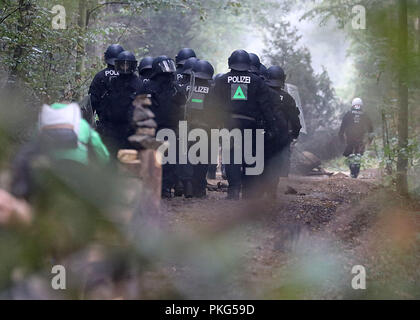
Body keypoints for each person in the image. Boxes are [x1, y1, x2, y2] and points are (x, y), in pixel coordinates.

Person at [209, 49, 277, 200]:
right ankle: (249, 193)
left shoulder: (221, 81)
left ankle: (233, 190)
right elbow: (265, 106)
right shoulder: (257, 81)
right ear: (248, 64)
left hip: (229, 124)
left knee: (231, 157)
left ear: (230, 63)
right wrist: (271, 126)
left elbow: (213, 105)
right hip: (251, 125)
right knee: (250, 158)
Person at [11, 102, 110, 200]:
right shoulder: (82, 123)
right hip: (79, 163)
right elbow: (99, 148)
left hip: (52, 162)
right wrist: (101, 164)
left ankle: (24, 194)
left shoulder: (44, 122)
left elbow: (34, 143)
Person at [145, 56, 187, 198]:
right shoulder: (151, 86)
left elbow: (183, 104)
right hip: (160, 129)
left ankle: (164, 188)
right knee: (165, 160)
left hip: (163, 128)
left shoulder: (173, 87)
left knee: (165, 160)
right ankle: (163, 188)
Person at [178, 60, 215, 198]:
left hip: (186, 127)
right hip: (206, 129)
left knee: (186, 157)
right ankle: (200, 188)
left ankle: (188, 184)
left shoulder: (184, 87)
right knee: (202, 159)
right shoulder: (213, 90)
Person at [97, 51, 144, 157]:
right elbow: (105, 104)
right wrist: (104, 123)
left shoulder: (139, 84)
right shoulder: (112, 82)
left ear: (133, 65)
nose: (125, 67)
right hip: (113, 129)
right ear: (118, 65)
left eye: (128, 64)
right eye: (123, 64)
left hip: (131, 129)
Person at [265, 66, 302, 178]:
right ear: (282, 79)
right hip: (282, 135)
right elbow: (295, 119)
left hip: (264, 133)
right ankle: (280, 183)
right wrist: (294, 134)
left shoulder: (262, 94)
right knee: (282, 158)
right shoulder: (288, 98)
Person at [339, 97, 373, 178]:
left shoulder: (348, 113)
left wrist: (341, 136)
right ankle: (356, 172)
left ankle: (352, 172)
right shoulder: (365, 114)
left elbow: (342, 127)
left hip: (350, 138)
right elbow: (370, 128)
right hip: (360, 138)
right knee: (358, 154)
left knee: (350, 154)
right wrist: (370, 139)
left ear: (352, 105)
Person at [88, 44, 124, 118]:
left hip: (103, 122)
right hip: (126, 123)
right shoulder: (129, 76)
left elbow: (92, 101)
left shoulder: (99, 76)